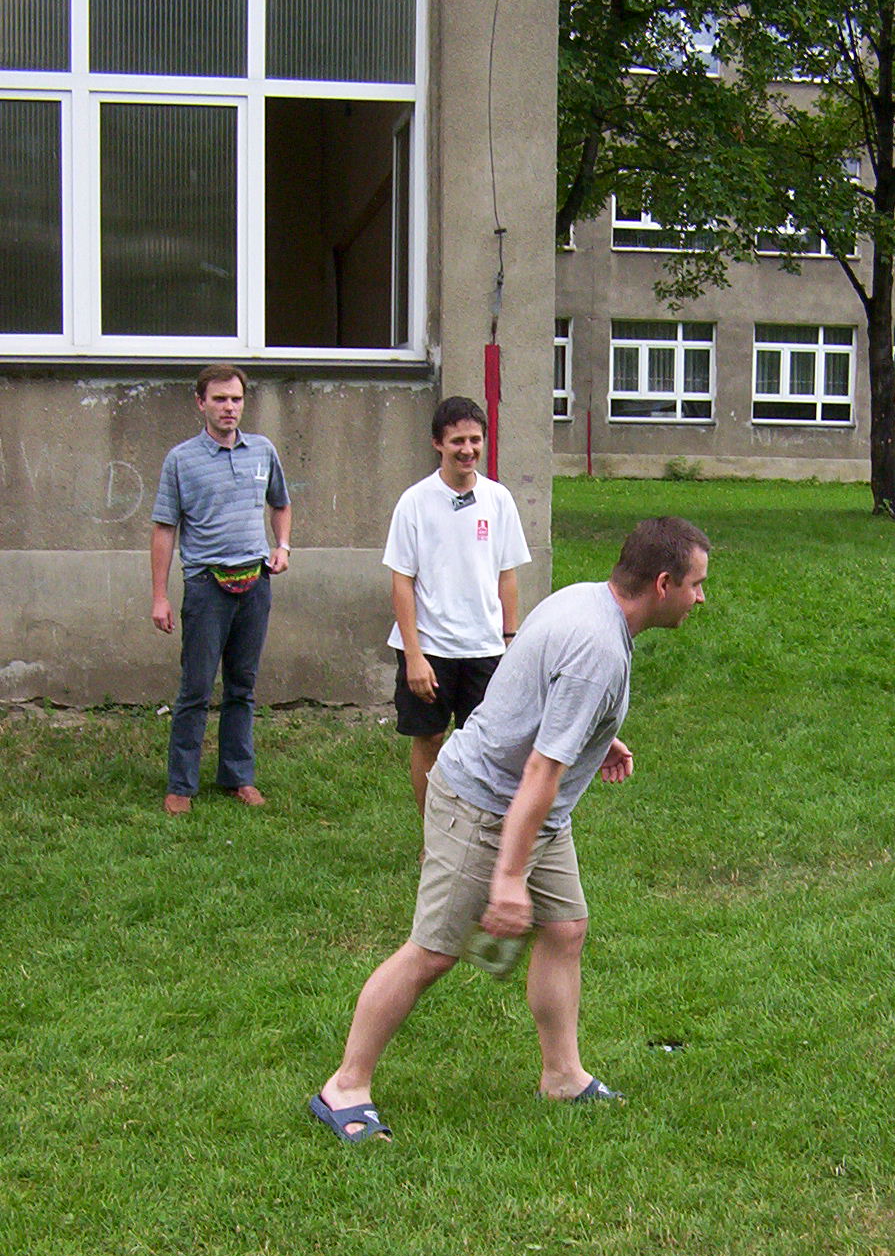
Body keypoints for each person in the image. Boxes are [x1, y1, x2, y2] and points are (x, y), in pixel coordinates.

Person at [310, 515, 711, 1142]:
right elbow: (540, 771)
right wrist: (507, 879)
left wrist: (595, 735)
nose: (700, 598)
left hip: (530, 809)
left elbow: (534, 689)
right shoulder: (599, 650)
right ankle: (345, 1086)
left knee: (566, 928)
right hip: (484, 805)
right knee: (433, 952)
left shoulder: (586, 600)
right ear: (663, 584)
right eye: (696, 584)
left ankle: (563, 1075)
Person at [150, 364, 291, 815]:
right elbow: (164, 528)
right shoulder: (180, 460)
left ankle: (238, 776)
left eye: (236, 399)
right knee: (195, 689)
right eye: (219, 399)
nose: (229, 407)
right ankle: (181, 785)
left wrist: (283, 545)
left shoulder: (262, 451)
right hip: (206, 586)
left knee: (242, 687)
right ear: (201, 403)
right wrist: (159, 596)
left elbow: (281, 503)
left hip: (255, 583)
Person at [384, 396, 531, 815]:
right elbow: (401, 581)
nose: (468, 450)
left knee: (485, 746)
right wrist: (413, 656)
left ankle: (477, 831)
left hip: (485, 647)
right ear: (438, 444)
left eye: (475, 440)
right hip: (430, 648)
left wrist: (510, 639)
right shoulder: (414, 502)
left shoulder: (499, 499)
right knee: (430, 739)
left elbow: (507, 575)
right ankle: (433, 835)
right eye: (457, 441)